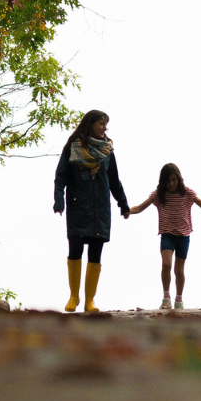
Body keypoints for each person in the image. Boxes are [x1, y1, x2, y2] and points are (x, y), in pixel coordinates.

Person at [53, 110, 130, 312]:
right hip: (78, 206)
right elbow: (61, 176)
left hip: (100, 209)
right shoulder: (73, 147)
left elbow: (114, 180)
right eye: (102, 123)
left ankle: (89, 301)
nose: (105, 128)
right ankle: (73, 297)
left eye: (106, 124)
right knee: (75, 249)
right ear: (90, 124)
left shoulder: (107, 151)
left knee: (96, 253)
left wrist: (123, 203)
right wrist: (58, 199)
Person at [127, 163, 201, 310]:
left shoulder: (187, 193)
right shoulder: (158, 195)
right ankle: (166, 297)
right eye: (168, 181)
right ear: (163, 182)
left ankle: (179, 300)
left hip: (183, 236)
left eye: (174, 180)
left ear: (179, 179)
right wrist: (127, 210)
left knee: (179, 270)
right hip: (167, 234)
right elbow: (140, 207)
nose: (171, 184)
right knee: (166, 264)